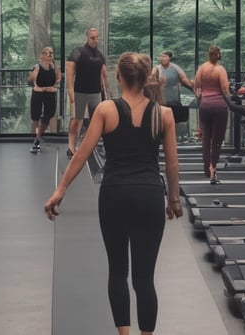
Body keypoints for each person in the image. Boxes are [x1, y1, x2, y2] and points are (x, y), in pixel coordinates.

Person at [44, 52, 182, 335]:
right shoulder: (164, 114)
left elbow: (82, 153)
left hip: (115, 195)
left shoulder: (106, 110)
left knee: (118, 272)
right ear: (145, 79)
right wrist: (174, 199)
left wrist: (61, 189)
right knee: (144, 278)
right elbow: (171, 162)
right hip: (149, 196)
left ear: (118, 78)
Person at [66, 27, 108, 159]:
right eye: (92, 38)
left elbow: (102, 74)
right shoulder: (78, 52)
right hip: (80, 92)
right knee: (76, 120)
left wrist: (105, 92)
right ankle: (71, 147)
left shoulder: (99, 55)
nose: (95, 40)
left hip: (95, 93)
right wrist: (70, 91)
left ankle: (84, 146)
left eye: (97, 38)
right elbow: (70, 71)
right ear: (87, 37)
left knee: (94, 122)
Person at [194, 46, 231, 184]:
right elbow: (225, 88)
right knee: (217, 140)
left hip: (205, 106)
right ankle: (213, 168)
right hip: (219, 106)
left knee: (205, 138)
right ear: (219, 55)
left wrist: (202, 98)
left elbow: (197, 88)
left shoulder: (202, 68)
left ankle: (206, 168)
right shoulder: (220, 70)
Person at [151, 51, 194, 140]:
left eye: (164, 56)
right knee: (160, 122)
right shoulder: (157, 69)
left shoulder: (175, 68)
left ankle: (171, 139)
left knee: (172, 122)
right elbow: (151, 80)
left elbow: (185, 80)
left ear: (169, 58)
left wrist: (194, 90)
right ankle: (160, 139)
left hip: (173, 100)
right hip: (161, 101)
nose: (162, 58)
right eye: (161, 56)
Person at [28, 46, 61, 153]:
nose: (49, 55)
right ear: (42, 55)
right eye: (46, 53)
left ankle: (38, 136)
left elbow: (58, 78)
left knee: (49, 115)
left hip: (49, 94)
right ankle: (37, 139)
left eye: (51, 53)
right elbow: (30, 80)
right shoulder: (37, 66)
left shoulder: (54, 67)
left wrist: (53, 87)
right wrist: (38, 86)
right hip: (38, 93)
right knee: (36, 117)